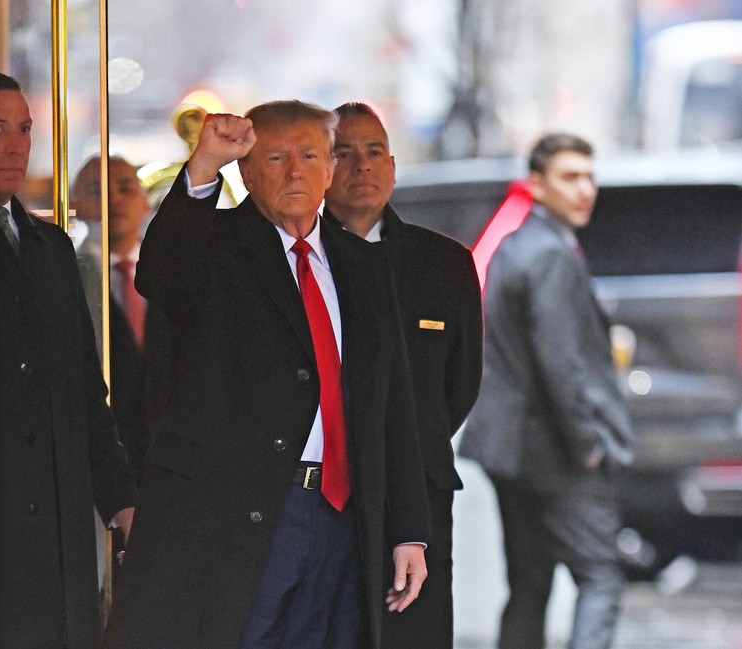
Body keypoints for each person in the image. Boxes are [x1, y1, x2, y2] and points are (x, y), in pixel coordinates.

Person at [102, 100, 431, 649]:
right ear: (248, 172)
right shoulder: (215, 249)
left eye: (309, 155)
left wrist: (409, 531)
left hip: (342, 515)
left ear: (331, 169)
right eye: (276, 157)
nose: (295, 171)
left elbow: (393, 403)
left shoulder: (363, 265)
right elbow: (159, 272)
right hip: (241, 512)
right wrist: (204, 166)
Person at [459, 133, 636, 649]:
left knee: (529, 585)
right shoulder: (551, 255)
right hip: (554, 449)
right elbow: (561, 365)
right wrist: (587, 445)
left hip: (511, 451)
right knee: (600, 576)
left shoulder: (516, 245)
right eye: (569, 177)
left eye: (589, 176)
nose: (585, 189)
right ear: (536, 184)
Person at [323, 102, 483, 649]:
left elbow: (459, 385)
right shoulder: (302, 260)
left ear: (392, 165)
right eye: (344, 154)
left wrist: (410, 439)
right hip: (326, 492)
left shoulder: (445, 264)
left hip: (421, 490)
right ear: (322, 168)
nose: (362, 167)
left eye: (374, 153)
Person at [0, 71, 138, 649]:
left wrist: (120, 498)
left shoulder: (52, 249)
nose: (16, 144)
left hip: (61, 529)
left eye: (23, 129)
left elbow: (85, 392)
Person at [72, 155, 171, 481]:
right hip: (98, 461)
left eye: (125, 188)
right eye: (96, 190)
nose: (113, 198)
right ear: (74, 203)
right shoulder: (68, 275)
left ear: (145, 202)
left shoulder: (172, 270)